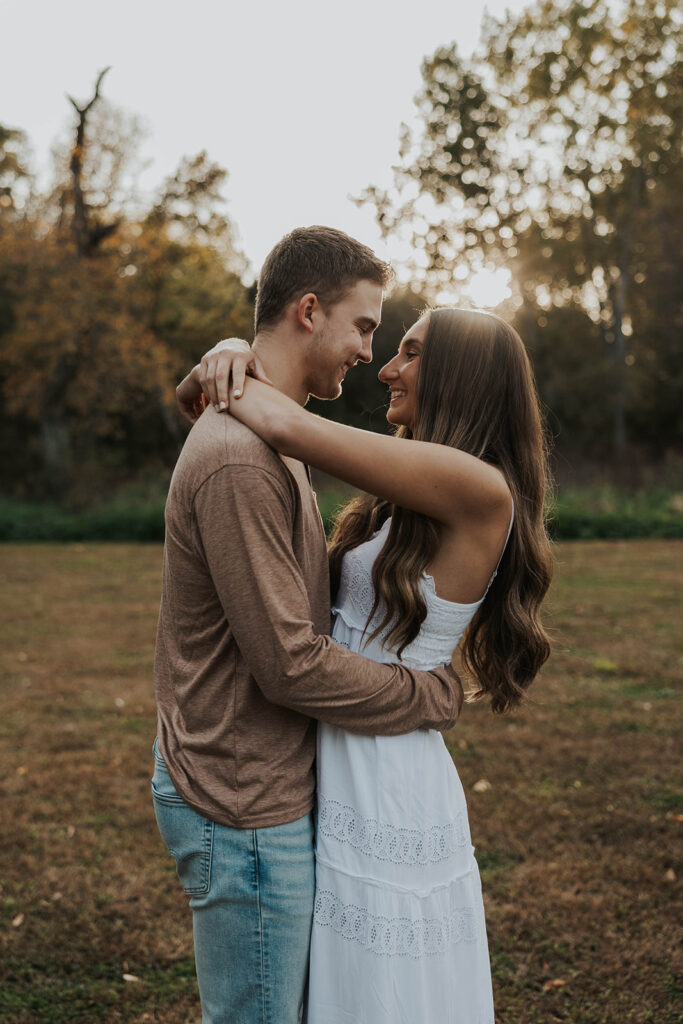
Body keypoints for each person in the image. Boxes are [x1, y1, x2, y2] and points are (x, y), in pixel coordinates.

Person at [183, 304, 553, 1023]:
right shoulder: (402, 498)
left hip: (387, 778)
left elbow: (289, 425)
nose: (385, 366)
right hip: (341, 747)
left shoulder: (480, 488)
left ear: (461, 377)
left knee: (382, 993)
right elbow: (228, 408)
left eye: (409, 353)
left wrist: (231, 354)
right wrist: (226, 354)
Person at [152, 226, 466, 1024]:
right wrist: (424, 697)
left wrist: (220, 358)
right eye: (364, 326)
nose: (369, 351)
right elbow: (290, 663)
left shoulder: (274, 431)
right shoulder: (239, 456)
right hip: (240, 796)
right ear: (308, 310)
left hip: (264, 781)